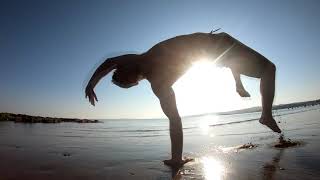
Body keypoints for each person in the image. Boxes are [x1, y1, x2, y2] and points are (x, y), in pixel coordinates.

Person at [85, 31, 282, 167]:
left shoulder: (138, 60)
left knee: (261, 67)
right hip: (218, 51)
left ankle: (261, 109)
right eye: (124, 79)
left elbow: (109, 62)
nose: (124, 72)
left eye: (120, 72)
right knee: (267, 68)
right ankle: (265, 114)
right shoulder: (159, 85)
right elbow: (175, 120)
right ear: (134, 84)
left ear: (123, 66)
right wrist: (176, 159)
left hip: (217, 45)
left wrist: (92, 83)